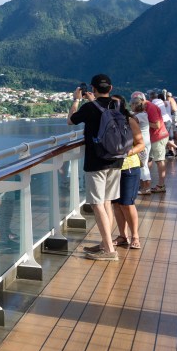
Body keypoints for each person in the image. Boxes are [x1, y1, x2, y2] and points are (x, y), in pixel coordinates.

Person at [68, 74, 125, 261]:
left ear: (92, 89)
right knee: (107, 201)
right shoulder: (117, 105)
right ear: (111, 88)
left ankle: (109, 250)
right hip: (116, 159)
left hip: (96, 161)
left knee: (97, 204)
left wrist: (76, 100)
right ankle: (104, 244)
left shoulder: (90, 108)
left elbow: (71, 120)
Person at [108, 95, 146, 249]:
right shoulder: (106, 122)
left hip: (129, 166)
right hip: (112, 167)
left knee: (127, 203)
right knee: (116, 204)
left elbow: (141, 144)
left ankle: (135, 235)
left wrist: (127, 153)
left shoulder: (130, 120)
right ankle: (123, 236)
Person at [144, 92, 169, 193]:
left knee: (159, 160)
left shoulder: (150, 107)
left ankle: (161, 185)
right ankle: (145, 182)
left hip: (158, 136)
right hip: (155, 137)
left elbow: (157, 125)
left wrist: (142, 121)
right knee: (149, 159)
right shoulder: (149, 106)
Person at [130, 92, 152, 195]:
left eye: (132, 104)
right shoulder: (143, 114)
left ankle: (146, 188)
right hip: (145, 142)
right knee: (143, 164)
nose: (130, 106)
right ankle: (144, 186)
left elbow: (130, 121)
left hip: (143, 143)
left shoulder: (139, 116)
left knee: (143, 165)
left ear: (135, 105)